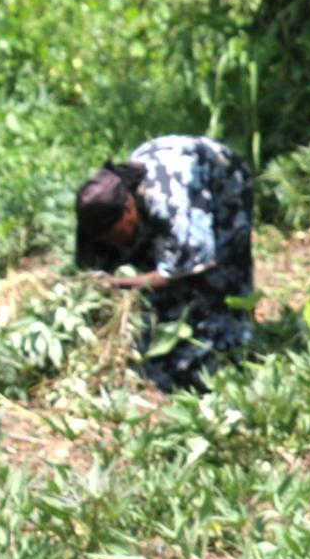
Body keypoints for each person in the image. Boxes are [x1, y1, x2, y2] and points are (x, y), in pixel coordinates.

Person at [74, 135, 256, 392]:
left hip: (222, 182)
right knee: (152, 281)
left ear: (129, 209)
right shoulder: (97, 211)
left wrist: (116, 284)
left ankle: (234, 357)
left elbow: (178, 271)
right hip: (171, 178)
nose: (116, 242)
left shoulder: (169, 203)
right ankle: (167, 355)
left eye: (117, 233)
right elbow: (94, 264)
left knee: (217, 280)